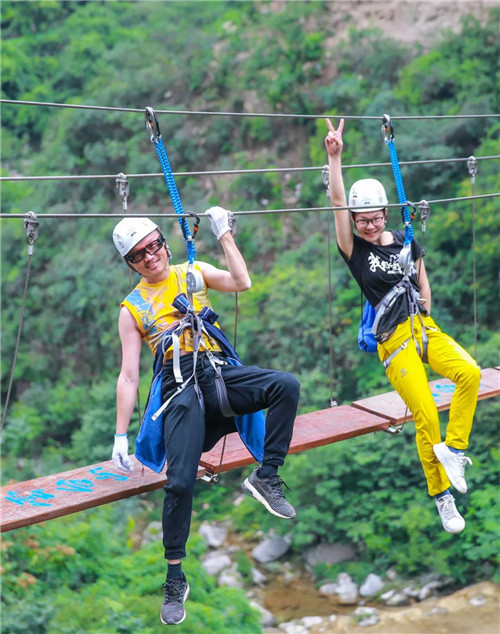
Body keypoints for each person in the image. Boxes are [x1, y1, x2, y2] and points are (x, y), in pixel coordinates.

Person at [111, 207, 300, 626]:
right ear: (131, 264)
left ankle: (266, 477)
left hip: (218, 373)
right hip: (178, 388)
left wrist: (225, 235)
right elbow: (129, 375)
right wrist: (120, 435)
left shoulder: (192, 270)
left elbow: (242, 282)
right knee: (179, 482)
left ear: (164, 241)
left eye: (155, 245)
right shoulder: (133, 307)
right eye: (140, 254)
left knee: (285, 385)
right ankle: (174, 578)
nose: (151, 255)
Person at [324, 117, 480, 535]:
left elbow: (419, 274)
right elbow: (338, 203)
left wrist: (427, 301)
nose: (369, 226)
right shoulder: (354, 250)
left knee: (470, 373)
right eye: (362, 221)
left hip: (424, 328)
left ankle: (456, 449)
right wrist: (334, 157)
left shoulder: (405, 238)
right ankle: (442, 498)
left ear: (385, 214)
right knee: (426, 413)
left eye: (374, 219)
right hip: (394, 340)